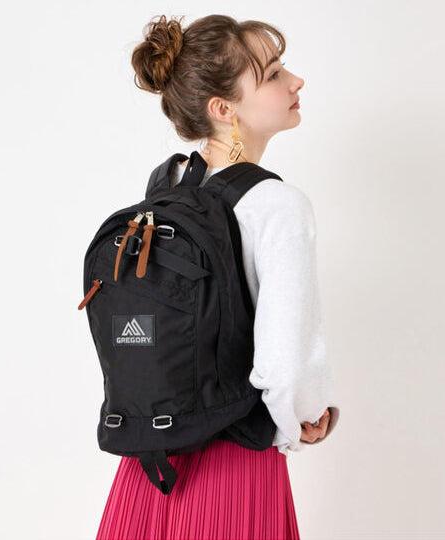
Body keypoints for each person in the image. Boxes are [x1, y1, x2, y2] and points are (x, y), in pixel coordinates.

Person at [96, 13, 340, 540]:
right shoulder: (277, 204)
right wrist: (300, 419)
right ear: (223, 108)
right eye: (273, 75)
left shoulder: (166, 189)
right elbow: (285, 360)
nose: (295, 81)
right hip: (235, 465)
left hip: (150, 461)